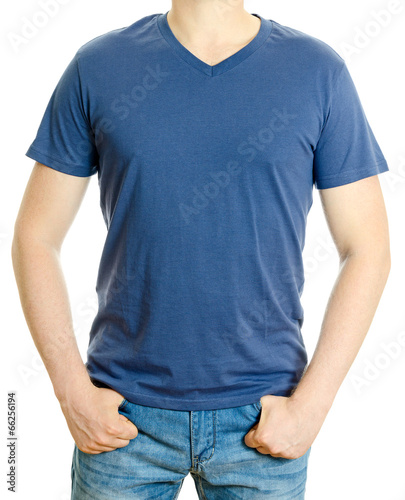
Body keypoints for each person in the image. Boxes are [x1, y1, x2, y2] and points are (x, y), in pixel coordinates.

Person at [12, 1, 391, 498]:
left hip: (264, 423)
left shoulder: (318, 72)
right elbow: (34, 238)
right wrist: (71, 394)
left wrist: (313, 406)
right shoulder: (99, 66)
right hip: (122, 421)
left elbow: (368, 248)